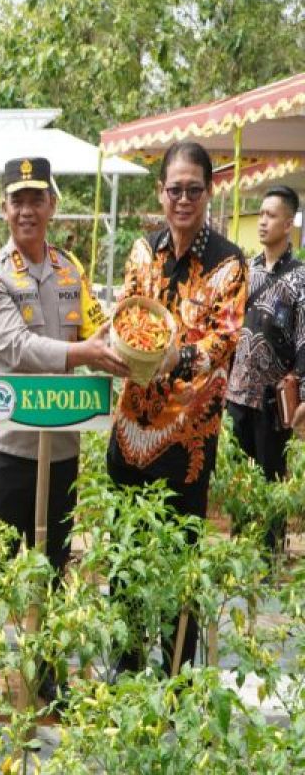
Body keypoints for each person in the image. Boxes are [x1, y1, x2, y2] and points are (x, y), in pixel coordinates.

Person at [0, 157, 127, 691]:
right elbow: (13, 346)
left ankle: (49, 672)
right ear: (4, 209)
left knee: (55, 562)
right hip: (8, 445)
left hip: (62, 447)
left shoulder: (70, 270)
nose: (27, 210)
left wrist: (117, 335)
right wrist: (84, 350)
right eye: (17, 200)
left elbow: (94, 323)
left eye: (37, 198)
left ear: (53, 206)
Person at [108, 141, 247, 675]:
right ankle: (125, 669)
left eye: (193, 189)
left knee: (176, 566)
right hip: (129, 435)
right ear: (161, 193)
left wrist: (177, 355)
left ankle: (173, 682)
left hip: (187, 444)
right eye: (174, 189)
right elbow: (128, 313)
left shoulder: (228, 263)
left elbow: (224, 341)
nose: (182, 199)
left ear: (209, 192)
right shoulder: (143, 252)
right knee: (125, 561)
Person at [226, 185, 305, 557]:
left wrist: (301, 395)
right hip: (237, 393)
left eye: (270, 215)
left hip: (273, 401)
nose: (262, 222)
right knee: (239, 482)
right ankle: (239, 556)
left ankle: (269, 560)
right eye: (260, 214)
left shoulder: (300, 277)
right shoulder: (246, 271)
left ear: (288, 223)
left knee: (272, 480)